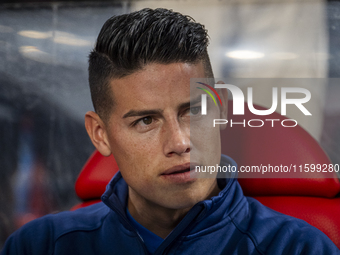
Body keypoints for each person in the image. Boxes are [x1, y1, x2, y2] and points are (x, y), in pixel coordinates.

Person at [1, 8, 339, 255]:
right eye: (146, 121)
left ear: (220, 108)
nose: (180, 143)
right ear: (100, 135)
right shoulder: (39, 246)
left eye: (193, 110)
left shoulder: (298, 248)